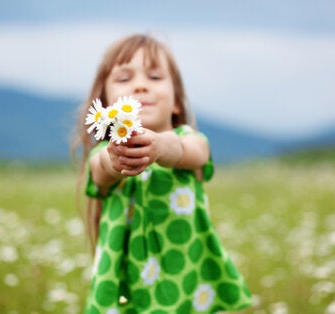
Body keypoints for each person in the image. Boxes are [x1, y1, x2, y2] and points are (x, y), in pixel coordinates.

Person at [74, 34, 252, 313]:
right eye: (124, 79)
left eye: (155, 77)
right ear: (105, 104)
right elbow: (101, 171)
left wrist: (161, 147)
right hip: (125, 284)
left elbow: (190, 152)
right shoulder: (104, 154)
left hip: (184, 278)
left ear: (177, 102)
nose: (140, 86)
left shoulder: (190, 141)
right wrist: (116, 159)